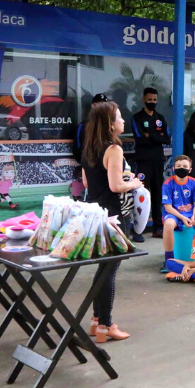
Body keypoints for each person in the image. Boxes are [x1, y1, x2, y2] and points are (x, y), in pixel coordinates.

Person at [82, 101, 144, 343]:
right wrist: (135, 184)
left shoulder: (88, 148)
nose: (123, 121)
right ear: (110, 123)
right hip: (115, 215)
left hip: (95, 213)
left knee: (103, 268)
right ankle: (106, 325)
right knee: (109, 270)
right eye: (119, 117)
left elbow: (88, 184)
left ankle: (97, 321)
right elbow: (116, 186)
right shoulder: (113, 149)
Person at [130, 87, 169, 241]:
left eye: (154, 100)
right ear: (143, 99)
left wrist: (150, 135)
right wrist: (156, 136)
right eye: (149, 100)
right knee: (141, 194)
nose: (152, 102)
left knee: (158, 195)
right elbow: (140, 138)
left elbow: (167, 138)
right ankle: (138, 229)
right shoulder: (136, 117)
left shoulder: (161, 117)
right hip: (143, 161)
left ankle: (158, 227)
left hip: (158, 161)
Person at [159, 155, 195, 273]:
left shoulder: (194, 182)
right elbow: (168, 207)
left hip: (191, 213)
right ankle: (169, 260)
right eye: (178, 166)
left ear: (190, 170)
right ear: (173, 168)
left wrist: (194, 216)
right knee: (168, 225)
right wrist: (183, 217)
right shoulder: (168, 183)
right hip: (174, 214)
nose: (181, 168)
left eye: (185, 166)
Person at [73, 92, 107, 164]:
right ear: (93, 106)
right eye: (100, 104)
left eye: (105, 105)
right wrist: (86, 164)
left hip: (106, 165)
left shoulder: (109, 124)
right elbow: (77, 148)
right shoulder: (83, 126)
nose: (103, 107)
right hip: (90, 165)